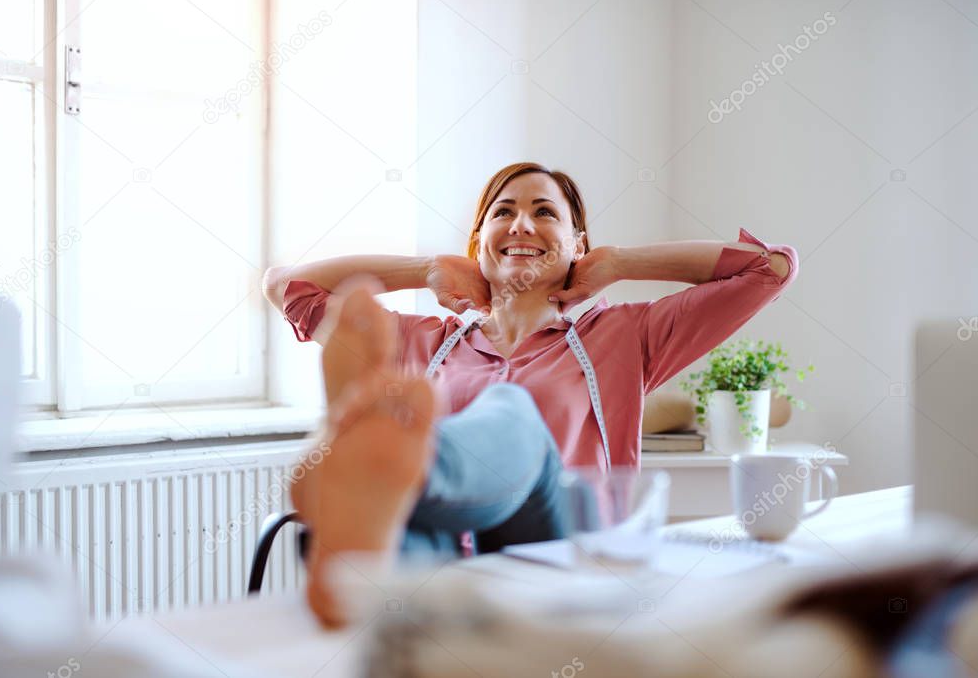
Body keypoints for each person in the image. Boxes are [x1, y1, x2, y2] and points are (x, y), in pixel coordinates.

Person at [261, 162, 798, 626]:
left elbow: (768, 268)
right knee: (407, 544)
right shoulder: (424, 342)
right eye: (503, 212)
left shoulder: (624, 338)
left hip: (564, 556)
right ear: (477, 247)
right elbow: (289, 287)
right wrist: (423, 271)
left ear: (577, 245)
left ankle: (397, 472)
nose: (522, 223)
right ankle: (358, 571)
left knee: (510, 409)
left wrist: (618, 263)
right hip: (459, 569)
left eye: (545, 212)